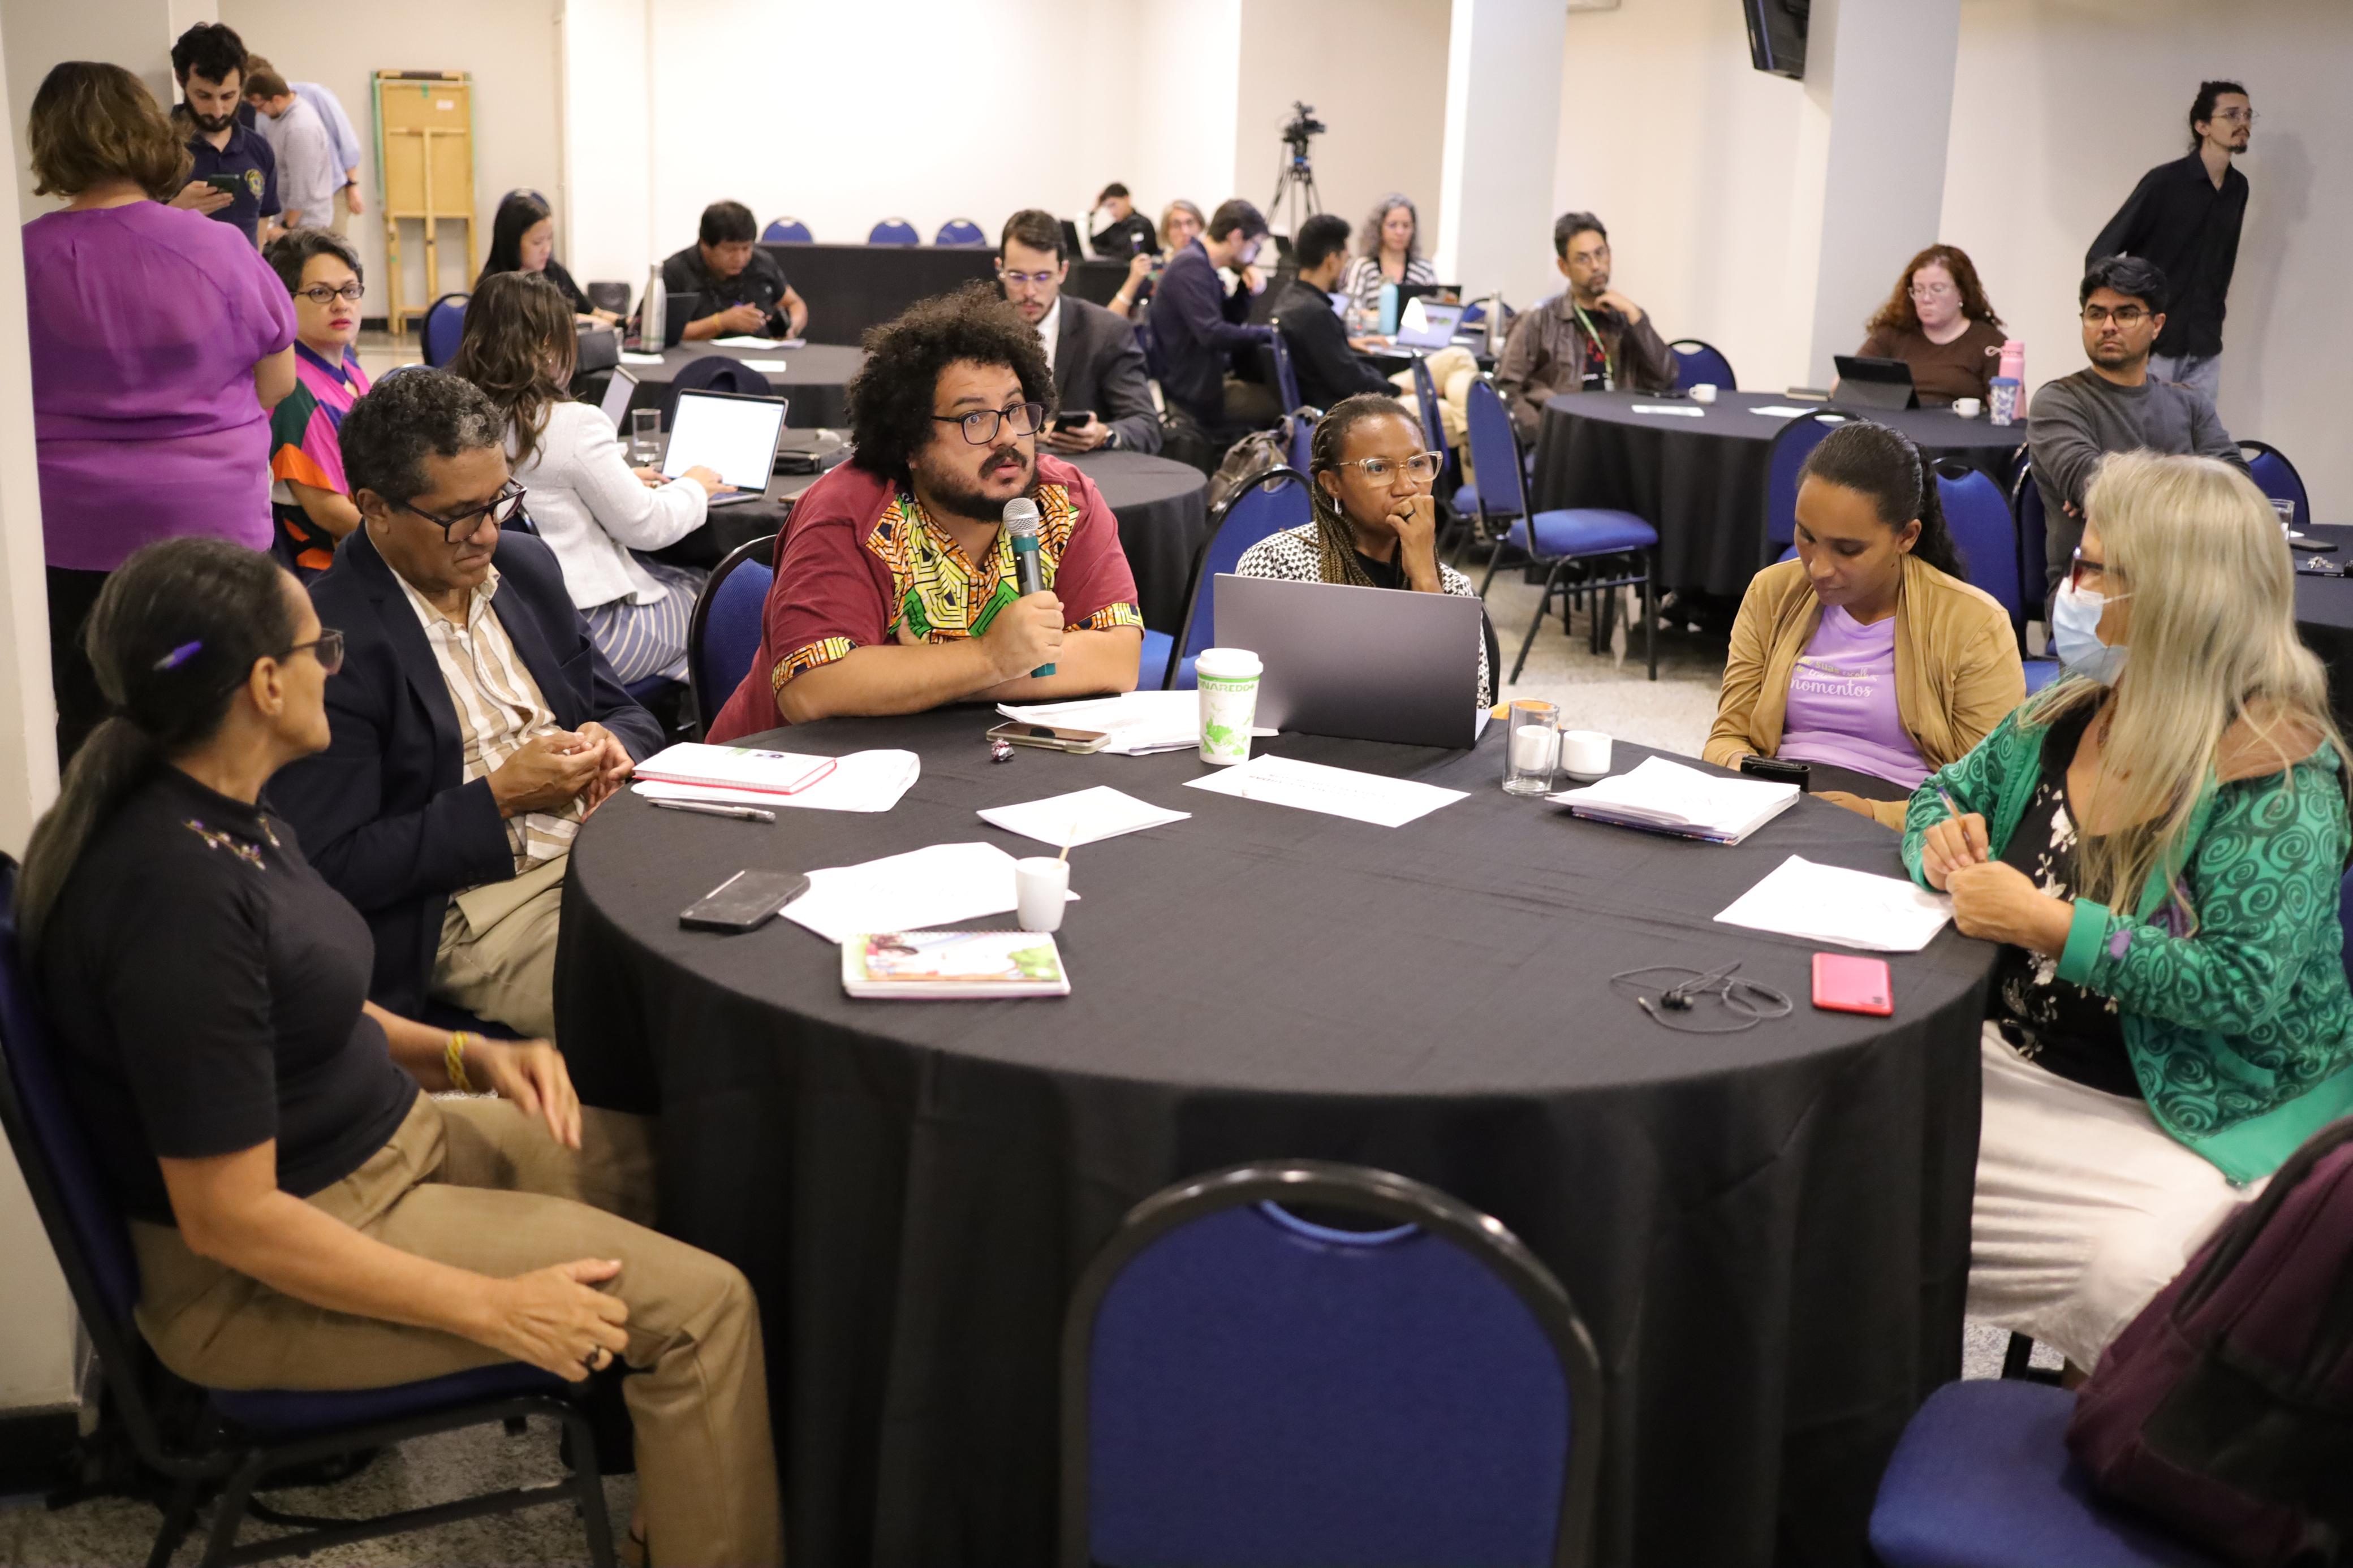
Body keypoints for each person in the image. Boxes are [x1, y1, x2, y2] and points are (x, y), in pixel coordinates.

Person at [19, 537, 782, 1565]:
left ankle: (690, 1494)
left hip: (384, 1149)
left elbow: (304, 1004)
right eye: (320, 648)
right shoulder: (175, 900)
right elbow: (232, 1218)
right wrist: (496, 1308)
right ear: (264, 685)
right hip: (273, 1268)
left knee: (721, 1176)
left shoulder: (222, 809)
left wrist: (470, 1057)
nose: (334, 665)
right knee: (705, 1312)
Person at [1906, 450, 2353, 1372]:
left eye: (2091, 568)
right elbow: (1941, 793)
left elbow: (2239, 987)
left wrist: (2048, 924)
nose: (2067, 587)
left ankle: (2104, 1440)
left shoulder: (2279, 778)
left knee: (2140, 1278)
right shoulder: (2075, 711)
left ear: (2178, 600)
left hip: (2201, 1106)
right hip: (2016, 1060)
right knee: (1842, 1159)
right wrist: (1939, 841)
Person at [268, 370, 664, 1043]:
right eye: (457, 516)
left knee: (752, 944)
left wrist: (614, 741)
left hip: (606, 850)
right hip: (474, 908)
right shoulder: (329, 643)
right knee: (663, 1007)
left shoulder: (526, 570)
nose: (486, 534)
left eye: (498, 501)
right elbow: (330, 865)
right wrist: (499, 799)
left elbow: (630, 712)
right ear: (375, 507)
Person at [705, 284, 1143, 738]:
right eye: (974, 418)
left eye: (1015, 410)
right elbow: (812, 688)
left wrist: (936, 674)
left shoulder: (1064, 500)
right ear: (911, 442)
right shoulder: (849, 511)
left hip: (965, 756)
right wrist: (990, 656)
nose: (1007, 437)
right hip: (785, 766)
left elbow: (1118, 659)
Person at [23, 61, 297, 761]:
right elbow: (278, 382)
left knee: (94, 719)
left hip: (73, 533)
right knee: (218, 718)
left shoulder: (22, 259)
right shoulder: (218, 247)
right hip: (212, 526)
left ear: (48, 142)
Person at [1705, 421, 2025, 826]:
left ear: (1906, 537)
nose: (1819, 568)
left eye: (1847, 550)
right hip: (1784, 803)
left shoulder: (1974, 624)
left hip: (1903, 817)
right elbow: (1727, 736)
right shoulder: (1772, 592)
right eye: (1806, 536)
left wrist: (1874, 814)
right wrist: (1742, 770)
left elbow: (1986, 797)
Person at [449, 272, 725, 685]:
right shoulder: (573, 424)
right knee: (721, 594)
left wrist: (618, 478)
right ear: (548, 345)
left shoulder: (462, 423)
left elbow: (547, 486)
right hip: (590, 635)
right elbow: (647, 526)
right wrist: (695, 487)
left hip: (507, 627)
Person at [1235, 394, 1496, 707]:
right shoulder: (1278, 566)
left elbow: (1472, 709)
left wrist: (1426, 578)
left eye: (1417, 464)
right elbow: (1248, 701)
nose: (1406, 487)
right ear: (1332, 484)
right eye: (1379, 468)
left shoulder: (1450, 587)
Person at [2028, 255, 2246, 595]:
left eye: (2126, 314)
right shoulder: (2058, 401)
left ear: (2157, 325)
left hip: (2187, 581)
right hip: (2094, 585)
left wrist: (2121, 487)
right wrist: (2192, 477)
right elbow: (2096, 488)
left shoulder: (2190, 403)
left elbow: (2237, 483)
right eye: (2096, 314)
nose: (2108, 326)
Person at [2088, 81, 2252, 402]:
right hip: (2155, 345)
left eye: (2247, 115)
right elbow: (2100, 254)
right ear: (2203, 126)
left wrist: (2214, 317)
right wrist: (2124, 318)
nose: (2243, 123)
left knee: (2197, 433)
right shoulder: (2164, 182)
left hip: (2205, 343)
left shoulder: (2238, 188)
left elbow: (2224, 262)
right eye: (2232, 115)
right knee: (2142, 432)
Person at [1493, 211, 1675, 439]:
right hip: (1565, 437)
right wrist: (1547, 434)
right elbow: (1506, 389)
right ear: (1564, 267)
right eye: (1583, 259)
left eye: (1601, 253)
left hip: (1619, 434)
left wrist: (1636, 318)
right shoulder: (1538, 319)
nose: (1596, 266)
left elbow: (1665, 379)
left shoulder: (1625, 319)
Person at [996, 209, 1161, 455]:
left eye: (1043, 277)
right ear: (1000, 268)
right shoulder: (980, 333)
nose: (1029, 292)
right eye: (1017, 277)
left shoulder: (1105, 332)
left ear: (1063, 271)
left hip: (1080, 472)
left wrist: (1103, 434)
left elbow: (1146, 427)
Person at [264, 228, 373, 578]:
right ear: (283, 300)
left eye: (350, 290)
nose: (341, 304)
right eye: (320, 293)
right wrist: (412, 539)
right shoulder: (294, 390)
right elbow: (329, 512)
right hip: (331, 571)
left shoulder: (348, 365)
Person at [1144, 197, 1278, 444]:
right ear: (1236, 237)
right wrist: (1268, 334)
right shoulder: (1191, 266)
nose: (1254, 256)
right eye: (1256, 247)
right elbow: (1213, 334)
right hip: (1194, 395)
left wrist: (1246, 289)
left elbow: (1228, 319)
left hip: (1201, 384)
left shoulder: (1201, 264)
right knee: (1285, 404)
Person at [1854, 244, 2009, 407]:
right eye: (1919, 290)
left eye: (1937, 289)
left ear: (1961, 293)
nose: (1926, 299)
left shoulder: (1990, 343)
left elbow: (2008, 414)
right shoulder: (1893, 334)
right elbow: (1845, 384)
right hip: (1896, 421)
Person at [170, 23, 280, 246]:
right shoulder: (155, 149)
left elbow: (261, 224)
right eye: (204, 96)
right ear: (181, 80)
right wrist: (174, 212)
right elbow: (129, 238)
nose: (218, 112)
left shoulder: (259, 149)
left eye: (228, 96)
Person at [1272, 214, 1391, 410]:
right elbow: (1350, 381)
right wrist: (1397, 389)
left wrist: (1344, 342)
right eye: (1345, 260)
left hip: (1327, 404)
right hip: (1348, 410)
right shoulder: (1315, 313)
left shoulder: (1289, 298)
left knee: (1447, 364)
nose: (1345, 268)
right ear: (1332, 260)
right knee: (1436, 400)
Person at [660, 200, 807, 342]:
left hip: (762, 353)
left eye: (746, 248)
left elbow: (796, 304)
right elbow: (664, 332)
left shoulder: (762, 263)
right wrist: (721, 322)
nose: (740, 258)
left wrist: (792, 327)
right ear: (705, 244)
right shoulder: (675, 272)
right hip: (701, 356)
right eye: (730, 250)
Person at [244, 57, 362, 232]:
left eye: (259, 104)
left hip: (324, 199)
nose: (258, 111)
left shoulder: (307, 111)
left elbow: (347, 143)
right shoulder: (273, 114)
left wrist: (352, 185)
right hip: (291, 206)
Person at [478, 189, 616, 324]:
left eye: (550, 238)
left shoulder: (554, 271)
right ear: (512, 244)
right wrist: (578, 319)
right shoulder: (495, 287)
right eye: (537, 242)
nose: (547, 249)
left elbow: (590, 311)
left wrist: (622, 321)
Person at [1338, 193, 1439, 321]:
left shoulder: (1424, 269)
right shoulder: (1364, 267)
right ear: (1378, 228)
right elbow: (1349, 309)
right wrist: (1372, 316)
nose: (1400, 232)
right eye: (1392, 225)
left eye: (1406, 226)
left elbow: (1436, 310)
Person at [1089, 182, 1157, 259]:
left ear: (1126, 199)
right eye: (1108, 207)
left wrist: (1099, 250)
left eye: (1113, 205)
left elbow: (1135, 253)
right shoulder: (1116, 227)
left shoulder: (1142, 224)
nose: (1112, 212)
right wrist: (1093, 211)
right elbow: (1089, 243)